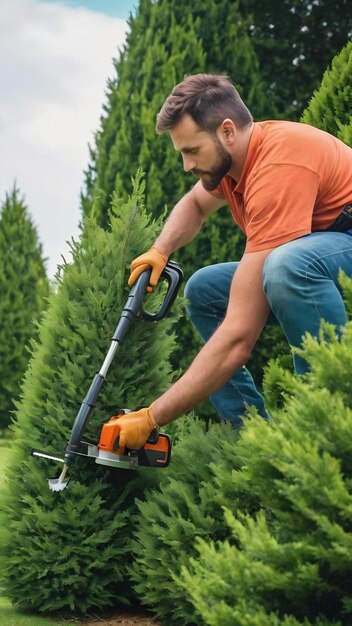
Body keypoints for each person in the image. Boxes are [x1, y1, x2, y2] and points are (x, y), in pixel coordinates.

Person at [114, 72, 352, 450]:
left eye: (191, 151)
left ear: (227, 131)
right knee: (204, 289)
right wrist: (160, 250)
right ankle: (251, 436)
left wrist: (152, 415)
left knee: (289, 266)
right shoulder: (231, 164)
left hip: (341, 244)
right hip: (331, 251)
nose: (186, 165)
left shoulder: (278, 168)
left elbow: (239, 336)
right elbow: (194, 204)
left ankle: (326, 423)